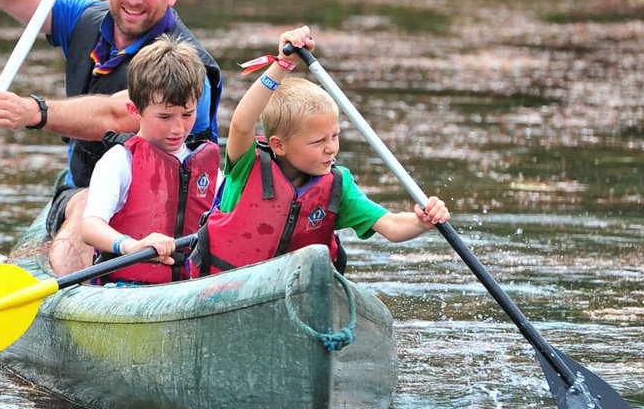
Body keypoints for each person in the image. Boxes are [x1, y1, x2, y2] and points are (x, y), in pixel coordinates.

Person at [0, 0, 222, 275]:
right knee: (88, 201)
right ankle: (73, 306)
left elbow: (119, 115)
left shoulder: (186, 62)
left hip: (173, 207)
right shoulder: (81, 17)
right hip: (89, 191)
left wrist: (37, 112)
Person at [192, 26, 450, 276]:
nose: (331, 148)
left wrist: (421, 222)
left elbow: (391, 226)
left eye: (335, 136)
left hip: (294, 296)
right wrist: (283, 64)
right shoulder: (247, 164)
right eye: (318, 142)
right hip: (225, 288)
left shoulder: (338, 186)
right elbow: (241, 122)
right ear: (278, 145)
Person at [80, 34, 220, 285]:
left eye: (187, 114)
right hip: (127, 289)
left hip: (192, 288)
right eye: (165, 117)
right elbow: (90, 227)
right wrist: (130, 246)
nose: (178, 128)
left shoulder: (207, 167)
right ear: (135, 110)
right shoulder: (119, 162)